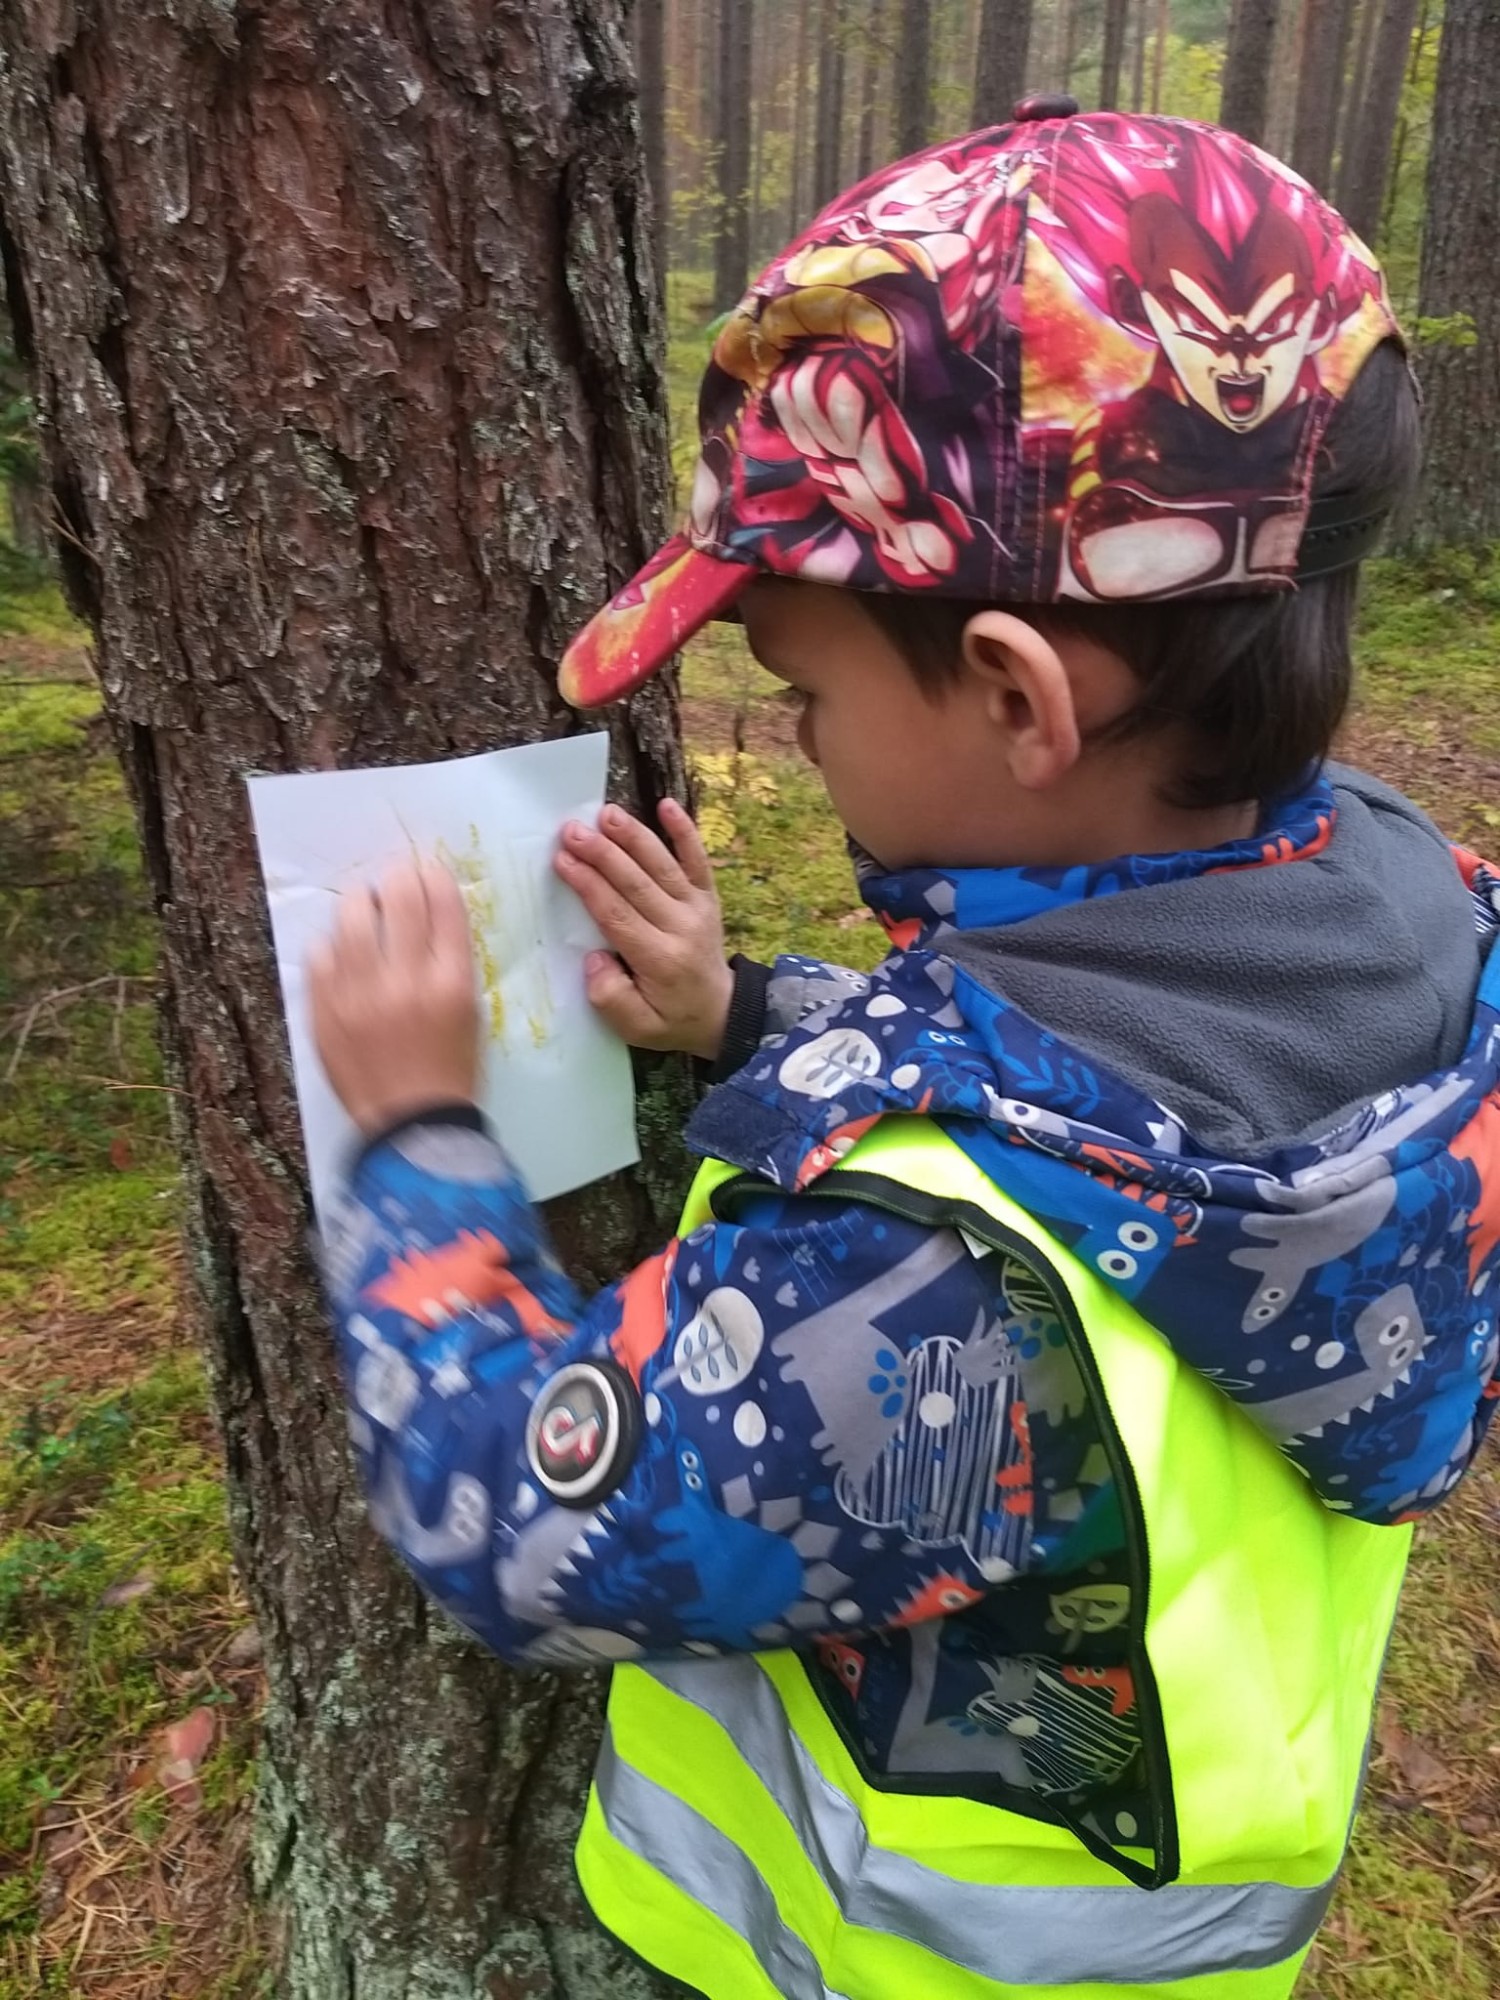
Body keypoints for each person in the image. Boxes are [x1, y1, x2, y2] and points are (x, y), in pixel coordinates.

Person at [307, 103, 1500, 2000]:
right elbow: (1107, 1096)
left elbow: (516, 1532)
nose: (792, 741)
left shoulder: (925, 1295)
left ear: (1019, 695)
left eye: (801, 688)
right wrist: (750, 1017)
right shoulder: (1412, 925)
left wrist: (415, 1138)